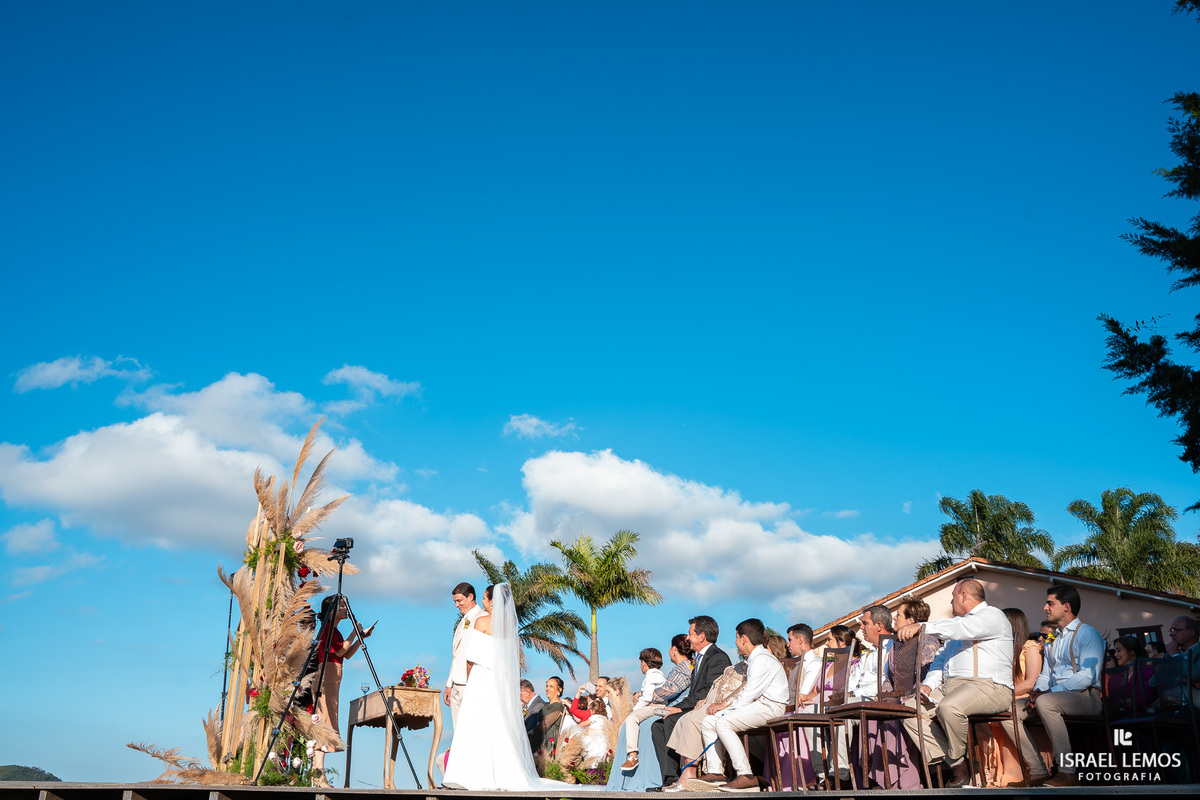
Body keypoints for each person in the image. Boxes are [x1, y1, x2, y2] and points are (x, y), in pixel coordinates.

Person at [442, 583, 588, 791]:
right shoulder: (509, 628)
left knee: (475, 726)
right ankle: (501, 773)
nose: (483, 602)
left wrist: (469, 679)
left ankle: (469, 776)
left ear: (492, 601)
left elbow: (470, 658)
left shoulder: (482, 621)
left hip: (481, 677)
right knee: (497, 726)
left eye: (484, 598)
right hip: (498, 681)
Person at [896, 578, 1013, 788]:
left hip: (989, 686)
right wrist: (928, 686)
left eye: (952, 598)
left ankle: (959, 763)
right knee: (909, 710)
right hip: (951, 686)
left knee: (950, 707)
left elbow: (964, 629)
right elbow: (941, 660)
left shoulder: (992, 616)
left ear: (963, 595)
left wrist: (920, 627)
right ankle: (958, 763)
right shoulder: (956, 627)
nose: (951, 603)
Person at [1006, 584, 1105, 787]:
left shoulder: (1088, 634)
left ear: (1066, 606)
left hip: (1087, 697)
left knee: (1047, 702)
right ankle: (1037, 771)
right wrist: (1038, 692)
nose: (1045, 608)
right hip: (1053, 696)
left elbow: (1088, 675)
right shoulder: (1052, 638)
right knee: (1008, 711)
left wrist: (1048, 693)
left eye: (1050, 603)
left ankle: (1068, 772)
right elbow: (1045, 674)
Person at [692, 618, 789, 792]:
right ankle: (715, 773)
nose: (736, 643)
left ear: (744, 638)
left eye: (736, 638)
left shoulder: (761, 660)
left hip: (771, 707)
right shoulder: (756, 659)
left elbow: (747, 697)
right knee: (708, 722)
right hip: (759, 706)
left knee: (722, 722)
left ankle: (746, 775)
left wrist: (724, 711)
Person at [651, 615, 733, 790]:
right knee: (657, 725)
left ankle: (682, 775)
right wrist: (672, 708)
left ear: (701, 636)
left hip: (707, 708)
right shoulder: (699, 658)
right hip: (693, 704)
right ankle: (669, 777)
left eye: (690, 633)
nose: (687, 638)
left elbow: (708, 693)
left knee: (672, 720)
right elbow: (693, 693)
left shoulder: (718, 658)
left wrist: (679, 709)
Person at [608, 635, 693, 792]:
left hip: (666, 707)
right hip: (668, 706)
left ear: (675, 649)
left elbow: (666, 692)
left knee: (632, 719)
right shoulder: (672, 671)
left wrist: (639, 699)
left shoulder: (683, 668)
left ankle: (633, 755)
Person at [311, 594, 375, 788]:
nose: (346, 609)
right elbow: (338, 652)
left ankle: (318, 774)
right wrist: (355, 633)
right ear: (333, 610)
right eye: (342, 606)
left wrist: (361, 636)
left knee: (326, 722)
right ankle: (318, 775)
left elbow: (345, 654)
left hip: (332, 675)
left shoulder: (334, 631)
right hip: (326, 676)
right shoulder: (328, 629)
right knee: (325, 723)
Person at [984, 608, 1047, 787]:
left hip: (1025, 697)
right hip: (1007, 697)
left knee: (1005, 711)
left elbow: (1031, 682)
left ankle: (1025, 770)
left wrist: (1006, 694)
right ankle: (991, 771)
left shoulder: (1030, 647)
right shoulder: (1003, 650)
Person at [443, 581, 487, 728]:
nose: (456, 605)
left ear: (470, 597)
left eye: (459, 601)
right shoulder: (463, 621)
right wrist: (449, 685)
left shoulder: (482, 617)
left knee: (471, 725)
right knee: (457, 726)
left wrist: (472, 681)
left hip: (470, 682)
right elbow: (457, 654)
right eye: (455, 601)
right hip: (456, 683)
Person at [538, 676, 567, 762]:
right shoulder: (546, 706)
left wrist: (530, 733)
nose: (547, 689)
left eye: (551, 686)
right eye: (547, 686)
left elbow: (545, 725)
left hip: (548, 746)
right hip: (539, 743)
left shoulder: (558, 707)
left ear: (559, 689)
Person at [522, 679, 546, 751]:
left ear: (527, 691)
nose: (519, 698)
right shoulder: (532, 706)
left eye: (520, 694)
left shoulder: (538, 705)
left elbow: (529, 728)